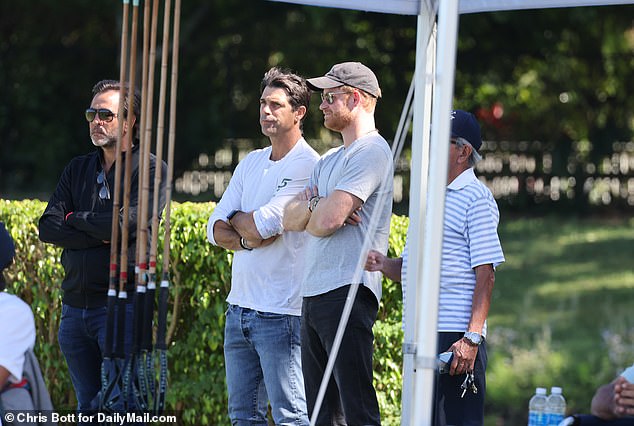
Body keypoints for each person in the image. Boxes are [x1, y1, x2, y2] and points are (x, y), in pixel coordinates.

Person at [365, 110, 505, 426]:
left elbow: (486, 272)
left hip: (454, 338)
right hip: (421, 333)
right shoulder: (429, 199)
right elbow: (418, 270)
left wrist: (471, 339)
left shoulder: (476, 198)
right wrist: (384, 264)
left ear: (463, 151)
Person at [38, 79, 167, 416]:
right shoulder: (78, 167)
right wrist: (101, 228)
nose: (96, 120)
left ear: (129, 120)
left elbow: (129, 224)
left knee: (124, 408)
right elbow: (48, 227)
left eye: (105, 115)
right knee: (89, 409)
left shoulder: (151, 168)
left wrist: (75, 219)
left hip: (121, 308)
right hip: (73, 310)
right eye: (91, 113)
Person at [283, 61, 394, 425]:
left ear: (357, 98)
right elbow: (291, 218)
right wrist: (320, 205)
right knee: (321, 416)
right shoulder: (329, 159)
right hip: (315, 294)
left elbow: (326, 222)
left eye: (330, 97)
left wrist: (318, 210)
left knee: (356, 411)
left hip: (348, 289)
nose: (322, 105)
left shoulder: (372, 151)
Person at [206, 67, 318, 425]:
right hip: (238, 308)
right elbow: (214, 227)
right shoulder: (251, 161)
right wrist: (245, 234)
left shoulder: (309, 165)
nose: (265, 111)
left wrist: (241, 221)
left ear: (299, 113)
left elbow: (263, 224)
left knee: (291, 417)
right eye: (262, 103)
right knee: (242, 417)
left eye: (276, 105)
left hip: (282, 313)